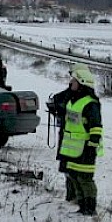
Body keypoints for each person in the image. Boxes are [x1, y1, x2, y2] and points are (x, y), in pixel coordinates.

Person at [58, 65, 103, 216]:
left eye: (74, 80)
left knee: (85, 179)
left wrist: (92, 146)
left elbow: (96, 127)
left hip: (85, 148)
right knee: (75, 177)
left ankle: (90, 208)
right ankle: (82, 206)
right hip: (72, 149)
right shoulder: (73, 100)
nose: (71, 83)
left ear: (82, 82)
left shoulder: (90, 104)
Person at [48, 63, 88, 202]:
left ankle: (77, 198)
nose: (70, 81)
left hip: (76, 140)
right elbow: (60, 100)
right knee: (68, 170)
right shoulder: (71, 92)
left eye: (73, 79)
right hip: (68, 139)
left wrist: (60, 108)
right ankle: (71, 197)